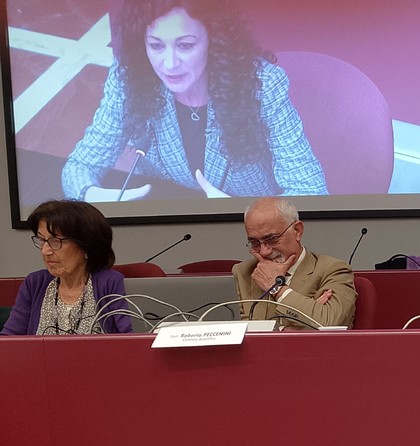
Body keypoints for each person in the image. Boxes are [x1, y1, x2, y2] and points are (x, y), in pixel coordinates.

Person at [61, 0, 327, 202]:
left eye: (185, 45)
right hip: (167, 218)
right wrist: (91, 194)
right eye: (156, 45)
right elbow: (80, 166)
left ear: (215, 40)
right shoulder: (129, 79)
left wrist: (247, 213)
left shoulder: (263, 85)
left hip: (254, 234)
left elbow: (311, 190)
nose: (169, 64)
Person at [1, 200, 132, 335]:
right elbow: (8, 340)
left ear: (86, 245)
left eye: (56, 241)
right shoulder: (35, 283)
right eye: (42, 240)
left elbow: (135, 339)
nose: (45, 251)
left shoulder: (111, 283)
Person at [233, 197, 356, 328]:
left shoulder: (333, 269)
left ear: (297, 231)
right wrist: (299, 325)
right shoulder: (243, 272)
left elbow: (328, 323)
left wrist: (277, 289)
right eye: (254, 242)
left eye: (272, 239)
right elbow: (232, 329)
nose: (264, 252)